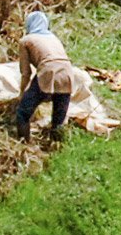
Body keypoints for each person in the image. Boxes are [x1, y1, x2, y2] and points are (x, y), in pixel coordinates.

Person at [14, 10, 77, 140]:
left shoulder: (26, 40)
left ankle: (23, 145)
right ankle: (57, 148)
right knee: (58, 121)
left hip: (49, 71)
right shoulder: (53, 38)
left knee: (22, 113)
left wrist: (22, 94)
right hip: (68, 74)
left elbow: (26, 73)